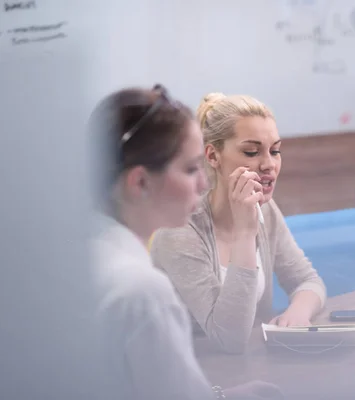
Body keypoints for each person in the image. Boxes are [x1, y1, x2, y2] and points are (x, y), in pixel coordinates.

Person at [89, 85, 283, 399]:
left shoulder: (88, 257)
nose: (204, 182)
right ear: (140, 182)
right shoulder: (144, 293)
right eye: (191, 169)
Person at [150, 93, 326, 353]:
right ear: (212, 156)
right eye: (251, 152)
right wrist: (245, 232)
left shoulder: (267, 210)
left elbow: (308, 281)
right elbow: (228, 339)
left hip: (250, 366)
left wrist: (298, 313)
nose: (269, 165)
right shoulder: (179, 230)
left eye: (275, 151)